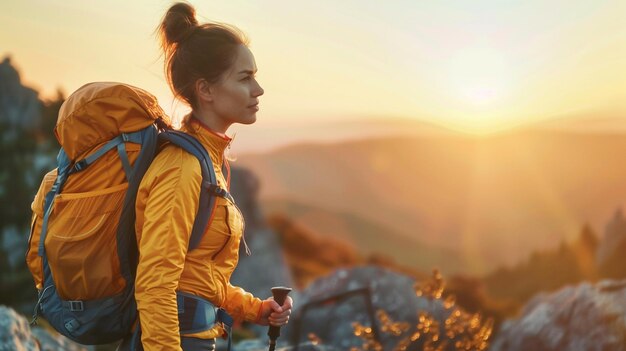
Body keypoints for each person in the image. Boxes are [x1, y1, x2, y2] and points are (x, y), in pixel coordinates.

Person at [119, 3, 293, 350]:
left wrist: (256, 309)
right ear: (206, 90)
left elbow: (198, 278)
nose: (258, 90)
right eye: (245, 78)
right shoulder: (182, 168)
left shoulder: (207, 162)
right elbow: (156, 283)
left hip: (198, 337)